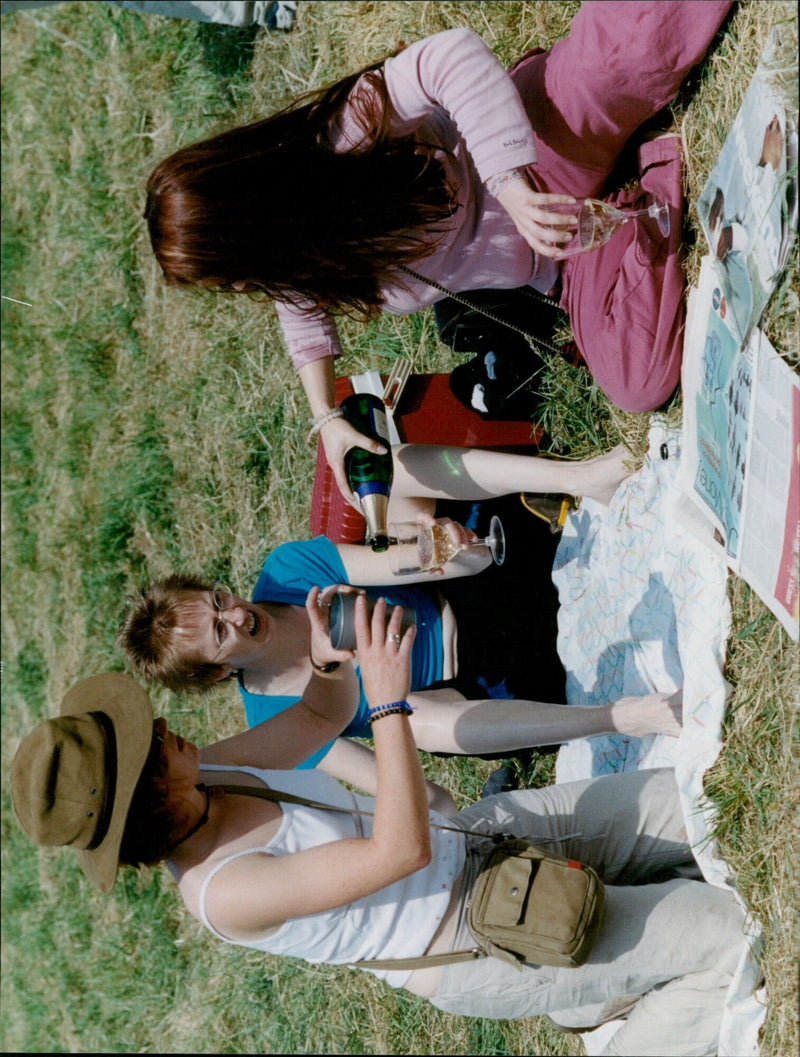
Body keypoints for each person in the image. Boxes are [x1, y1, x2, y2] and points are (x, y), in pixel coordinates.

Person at [12, 596, 747, 1056]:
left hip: (489, 836)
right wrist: (390, 704)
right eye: (148, 740)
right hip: (480, 931)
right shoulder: (224, 892)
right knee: (727, 935)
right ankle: (623, 1012)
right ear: (146, 799)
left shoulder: (210, 772)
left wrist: (331, 664)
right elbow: (399, 848)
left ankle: (594, 988)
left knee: (699, 799)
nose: (165, 722)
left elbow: (319, 718)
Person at [144, 1, 733, 504]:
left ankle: (635, 180)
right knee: (637, 381)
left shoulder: (343, 137)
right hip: (561, 257)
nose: (243, 288)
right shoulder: (298, 262)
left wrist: (509, 184)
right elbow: (302, 326)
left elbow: (448, 56)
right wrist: (327, 419)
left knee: (624, 52)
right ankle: (650, 176)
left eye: (231, 274)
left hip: (538, 147)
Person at [117, 442, 683, 784]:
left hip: (478, 590)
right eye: (221, 633)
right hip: (485, 686)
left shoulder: (286, 573)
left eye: (219, 601)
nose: (236, 614)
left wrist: (444, 550)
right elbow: (387, 774)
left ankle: (583, 478)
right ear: (218, 672)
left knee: (392, 464)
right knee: (411, 726)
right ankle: (620, 717)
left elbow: (395, 564)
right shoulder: (273, 721)